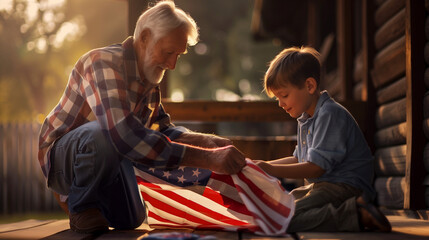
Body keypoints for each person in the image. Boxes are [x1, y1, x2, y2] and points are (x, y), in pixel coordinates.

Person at [37, 0, 246, 234]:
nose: (173, 64)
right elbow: (123, 135)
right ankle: (80, 205)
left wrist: (207, 144)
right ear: (145, 38)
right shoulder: (102, 63)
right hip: (63, 160)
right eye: (168, 53)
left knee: (132, 219)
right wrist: (207, 160)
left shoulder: (149, 78)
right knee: (104, 133)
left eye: (178, 55)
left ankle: (91, 201)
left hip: (109, 155)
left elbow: (161, 130)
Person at [254, 46, 392, 233]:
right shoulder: (306, 118)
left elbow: (316, 167)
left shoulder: (330, 114)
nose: (280, 103)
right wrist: (261, 167)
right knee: (277, 208)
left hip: (346, 187)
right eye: (277, 98)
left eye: (284, 95)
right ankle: (349, 211)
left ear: (309, 86)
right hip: (324, 187)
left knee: (282, 219)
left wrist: (270, 169)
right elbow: (299, 158)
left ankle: (356, 214)